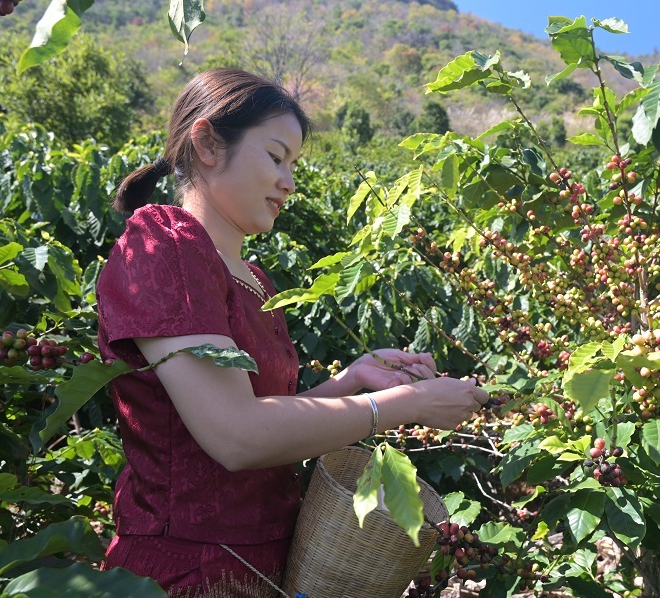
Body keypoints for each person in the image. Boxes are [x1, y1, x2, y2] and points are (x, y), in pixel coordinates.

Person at [96, 67, 489, 597]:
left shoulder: (255, 280)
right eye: (276, 157)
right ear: (209, 143)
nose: (289, 182)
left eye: (294, 164)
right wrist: (407, 405)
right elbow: (236, 436)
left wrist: (349, 381)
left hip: (268, 561)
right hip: (188, 572)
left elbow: (265, 420)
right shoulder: (164, 248)